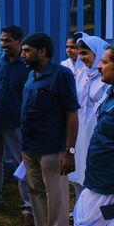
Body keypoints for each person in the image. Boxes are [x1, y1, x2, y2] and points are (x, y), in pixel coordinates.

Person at [20, 32, 79, 226]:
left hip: (52, 149)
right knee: (35, 194)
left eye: (27, 51)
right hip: (29, 148)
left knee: (55, 198)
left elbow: (72, 114)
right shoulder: (31, 74)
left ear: (43, 51)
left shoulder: (61, 74)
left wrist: (69, 151)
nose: (23, 55)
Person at [0, 25, 33, 221]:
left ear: (19, 41)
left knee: (21, 164)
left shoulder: (26, 64)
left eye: (8, 41)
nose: (3, 44)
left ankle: (28, 207)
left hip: (15, 123)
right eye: (2, 40)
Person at [73, 44, 114, 225]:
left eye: (104, 62)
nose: (98, 66)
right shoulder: (109, 93)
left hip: (107, 186)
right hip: (98, 180)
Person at [69, 36, 109, 197]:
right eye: (80, 53)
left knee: (93, 167)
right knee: (78, 168)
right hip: (79, 129)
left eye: (85, 53)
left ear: (98, 52)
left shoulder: (106, 77)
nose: (81, 57)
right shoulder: (79, 74)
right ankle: (81, 208)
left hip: (96, 128)